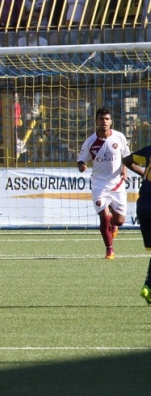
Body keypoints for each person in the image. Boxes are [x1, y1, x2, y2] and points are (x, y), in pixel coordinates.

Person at [77, 108, 139, 260]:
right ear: (96, 121)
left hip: (117, 183)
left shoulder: (119, 137)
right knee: (104, 217)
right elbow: (81, 159)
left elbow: (126, 157)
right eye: (101, 119)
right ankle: (109, 249)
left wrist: (124, 170)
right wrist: (82, 166)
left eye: (106, 119)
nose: (104, 121)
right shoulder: (90, 142)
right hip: (99, 184)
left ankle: (114, 224)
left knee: (120, 221)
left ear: (111, 121)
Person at [121, 146, 151, 303]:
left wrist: (144, 174)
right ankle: (149, 285)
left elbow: (127, 160)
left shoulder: (149, 150)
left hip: (143, 206)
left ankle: (148, 287)